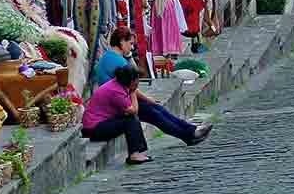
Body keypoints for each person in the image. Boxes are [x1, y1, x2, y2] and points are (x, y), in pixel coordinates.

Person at [82, 65, 213, 165]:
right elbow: (133, 110)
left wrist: (151, 101)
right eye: (136, 81)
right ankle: (134, 155)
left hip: (106, 120)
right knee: (131, 120)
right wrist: (133, 93)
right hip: (95, 128)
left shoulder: (120, 84)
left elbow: (136, 92)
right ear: (129, 82)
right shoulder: (116, 91)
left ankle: (190, 132)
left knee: (154, 109)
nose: (137, 83)